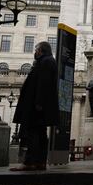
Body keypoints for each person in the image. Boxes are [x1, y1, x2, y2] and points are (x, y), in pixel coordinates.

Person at [11, 41, 59, 171]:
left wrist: (38, 103)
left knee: (32, 133)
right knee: (40, 133)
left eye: (36, 49)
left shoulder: (46, 62)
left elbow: (43, 84)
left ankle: (29, 162)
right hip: (39, 104)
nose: (35, 52)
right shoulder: (47, 61)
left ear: (41, 50)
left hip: (36, 106)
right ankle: (40, 162)